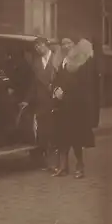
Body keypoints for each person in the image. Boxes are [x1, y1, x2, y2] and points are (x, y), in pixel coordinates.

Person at [51, 38, 99, 179]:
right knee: (62, 138)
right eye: (63, 44)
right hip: (62, 106)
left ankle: (80, 166)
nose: (66, 46)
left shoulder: (81, 61)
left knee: (76, 138)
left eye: (69, 43)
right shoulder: (61, 61)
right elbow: (56, 79)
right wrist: (56, 90)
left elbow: (83, 85)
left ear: (74, 45)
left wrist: (65, 94)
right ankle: (63, 167)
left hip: (75, 106)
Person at [19, 37, 58, 170]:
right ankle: (45, 161)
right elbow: (33, 85)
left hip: (56, 100)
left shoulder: (57, 59)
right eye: (36, 47)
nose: (38, 48)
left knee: (54, 131)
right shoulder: (36, 63)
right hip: (41, 101)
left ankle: (55, 162)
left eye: (40, 45)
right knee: (42, 130)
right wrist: (26, 100)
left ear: (46, 45)